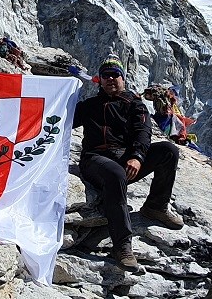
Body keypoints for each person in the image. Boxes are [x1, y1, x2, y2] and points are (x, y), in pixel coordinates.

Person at [72, 55, 184, 272]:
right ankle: (122, 244)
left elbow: (143, 132)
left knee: (169, 151)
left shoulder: (134, 104)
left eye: (115, 75)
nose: (111, 79)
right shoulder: (88, 106)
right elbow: (58, 119)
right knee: (115, 174)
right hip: (95, 160)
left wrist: (138, 156)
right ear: (100, 80)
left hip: (125, 159)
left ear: (123, 78)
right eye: (106, 76)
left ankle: (156, 207)